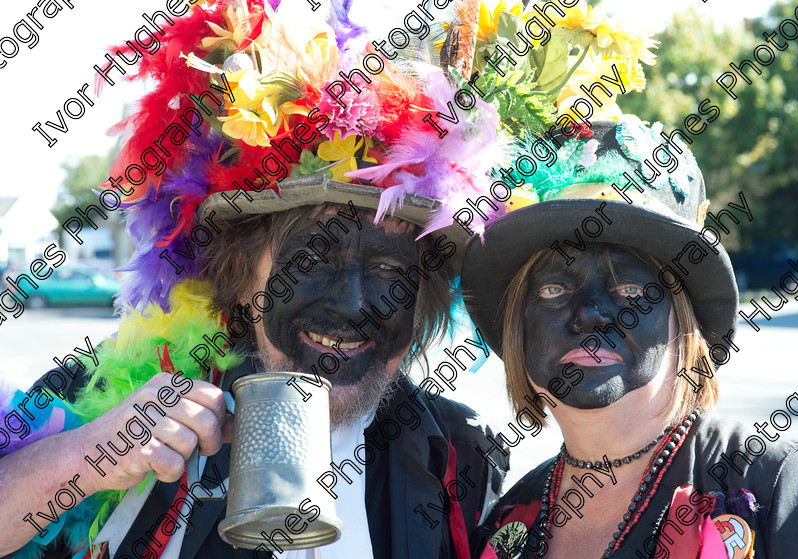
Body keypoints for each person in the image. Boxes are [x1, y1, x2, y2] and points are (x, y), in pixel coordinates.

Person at [0, 0, 512, 556]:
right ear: (242, 277)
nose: (351, 306)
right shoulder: (105, 405)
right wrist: (84, 458)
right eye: (311, 260)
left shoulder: (460, 458)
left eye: (391, 269)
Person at [462, 117, 798, 559]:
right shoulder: (507, 519)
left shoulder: (784, 489)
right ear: (517, 325)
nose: (589, 315)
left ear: (683, 316)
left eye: (630, 290)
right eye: (554, 289)